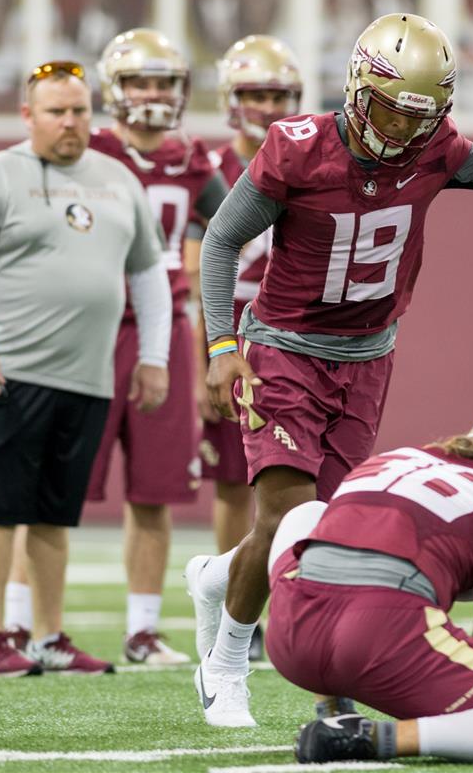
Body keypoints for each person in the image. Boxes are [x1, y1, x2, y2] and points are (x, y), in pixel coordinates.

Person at [186, 12, 473, 727]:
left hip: (368, 356)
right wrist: (223, 348)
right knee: (287, 510)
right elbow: (220, 241)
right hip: (282, 344)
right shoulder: (296, 147)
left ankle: (219, 576)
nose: (402, 130)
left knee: (329, 530)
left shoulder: (436, 149)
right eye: (388, 109)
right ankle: (225, 665)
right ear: (355, 87)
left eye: (419, 115)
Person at [0, 60, 171, 675]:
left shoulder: (118, 179)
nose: (70, 123)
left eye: (80, 111)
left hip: (87, 377)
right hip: (8, 373)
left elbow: (148, 275)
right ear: (27, 116)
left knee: (53, 515)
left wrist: (154, 357)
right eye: (56, 112)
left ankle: (47, 636)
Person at [3, 29, 228, 666]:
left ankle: (143, 629)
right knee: (53, 488)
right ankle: (20, 624)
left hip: (161, 327)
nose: (154, 94)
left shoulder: (194, 163)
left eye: (164, 82)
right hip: (85, 328)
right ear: (115, 90)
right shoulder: (89, 149)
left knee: (154, 491)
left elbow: (234, 226)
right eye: (140, 82)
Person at [199, 408, 473, 764]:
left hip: (292, 637)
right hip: (380, 643)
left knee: (307, 511)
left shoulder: (399, 459)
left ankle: (333, 704)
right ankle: (365, 737)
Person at [198, 34, 304, 662]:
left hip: (287, 334)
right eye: (255, 93)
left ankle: (255, 594)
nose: (266, 105)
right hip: (228, 328)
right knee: (233, 481)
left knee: (275, 482)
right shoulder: (209, 170)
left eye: (277, 94)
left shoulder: (307, 157)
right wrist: (206, 352)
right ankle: (237, 599)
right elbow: (204, 261)